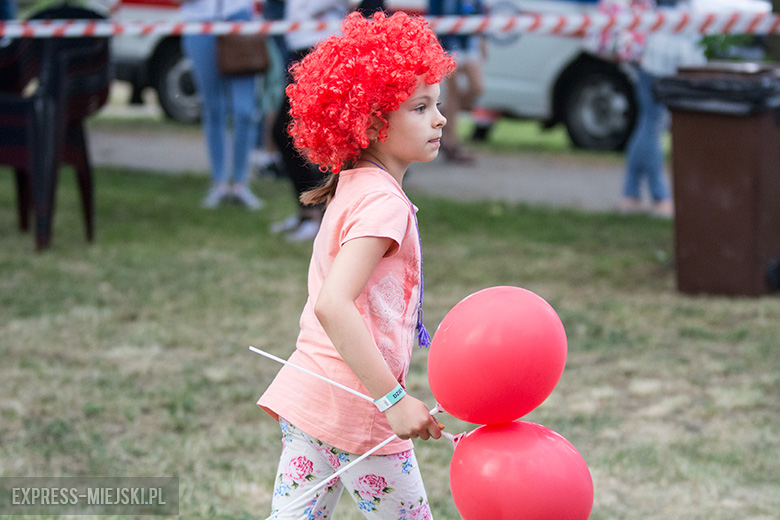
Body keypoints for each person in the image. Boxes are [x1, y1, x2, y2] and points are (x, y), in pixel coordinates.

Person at [257, 11, 455, 518]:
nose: (440, 119)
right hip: (358, 410)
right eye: (421, 107)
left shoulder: (354, 186)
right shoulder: (382, 203)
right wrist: (392, 400)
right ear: (370, 121)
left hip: (311, 396)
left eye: (438, 104)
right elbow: (333, 304)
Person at [595, 0, 704, 217]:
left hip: (651, 48)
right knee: (652, 124)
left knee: (648, 121)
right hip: (658, 51)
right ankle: (660, 197)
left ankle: (630, 195)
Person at [270, 0, 349, 241]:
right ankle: (310, 213)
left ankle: (318, 215)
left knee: (291, 133)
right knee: (290, 134)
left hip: (324, 47)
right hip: (302, 46)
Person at [179, 0, 263, 209]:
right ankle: (219, 183)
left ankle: (240, 183)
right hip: (199, 23)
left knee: (244, 111)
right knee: (213, 109)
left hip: (240, 19)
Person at [428, 0, 484, 164]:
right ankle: (452, 144)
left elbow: (479, 12)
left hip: (469, 43)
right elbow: (435, 14)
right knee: (453, 90)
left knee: (477, 87)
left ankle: (446, 114)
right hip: (448, 43)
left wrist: (482, 40)